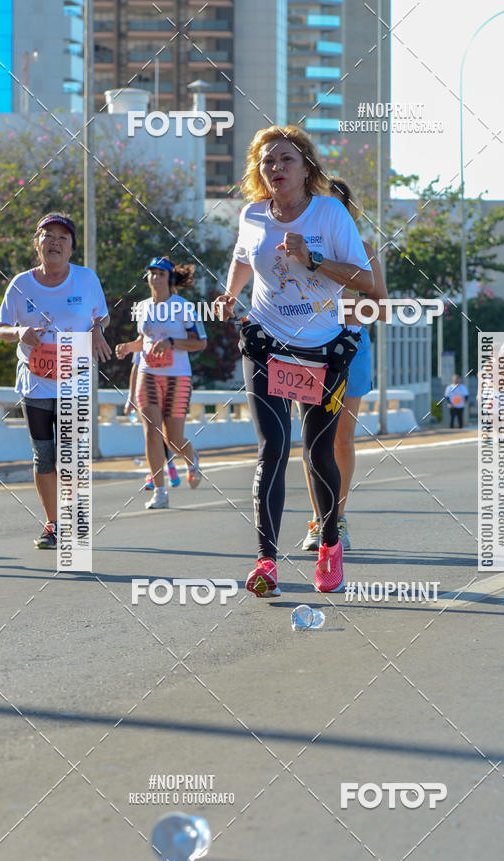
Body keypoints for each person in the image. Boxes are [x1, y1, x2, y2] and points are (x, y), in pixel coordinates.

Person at [212, 125, 374, 595]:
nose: (275, 168)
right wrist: (231, 292)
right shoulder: (253, 215)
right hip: (266, 342)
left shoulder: (329, 214)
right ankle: (265, 561)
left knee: (318, 450)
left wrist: (313, 258)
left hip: (322, 351)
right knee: (272, 450)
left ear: (306, 168)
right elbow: (245, 257)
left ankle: (328, 546)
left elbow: (364, 280)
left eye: (285, 160)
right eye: (267, 161)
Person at [0, 211, 111, 549]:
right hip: (36, 382)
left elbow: (100, 314)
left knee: (71, 455)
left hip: (74, 380)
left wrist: (98, 330)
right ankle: (53, 524)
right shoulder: (20, 284)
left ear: (72, 247)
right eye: (48, 236)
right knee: (44, 456)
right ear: (37, 244)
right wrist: (19, 331)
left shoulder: (86, 279)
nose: (54, 242)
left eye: (62, 237)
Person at [301, 176, 388, 552]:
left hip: (350, 348)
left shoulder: (364, 249)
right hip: (306, 349)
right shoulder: (294, 249)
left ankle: (337, 518)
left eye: (334, 204)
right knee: (312, 440)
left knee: (340, 439)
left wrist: (343, 307)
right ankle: (319, 520)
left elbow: (381, 306)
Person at [115, 256, 206, 508]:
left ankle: (191, 457)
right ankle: (160, 492)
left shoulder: (184, 307)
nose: (155, 278)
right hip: (149, 375)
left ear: (170, 278)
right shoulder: (142, 307)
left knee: (172, 439)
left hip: (178, 377)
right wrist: (127, 347)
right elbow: (143, 341)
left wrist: (173, 342)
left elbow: (201, 342)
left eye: (160, 274)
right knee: (151, 433)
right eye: (151, 273)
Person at [125, 349, 181, 488]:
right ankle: (158, 473)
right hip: (148, 391)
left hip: (170, 389)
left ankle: (170, 466)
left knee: (166, 435)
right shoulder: (143, 336)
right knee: (153, 434)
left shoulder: (171, 334)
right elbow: (136, 368)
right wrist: (130, 399)